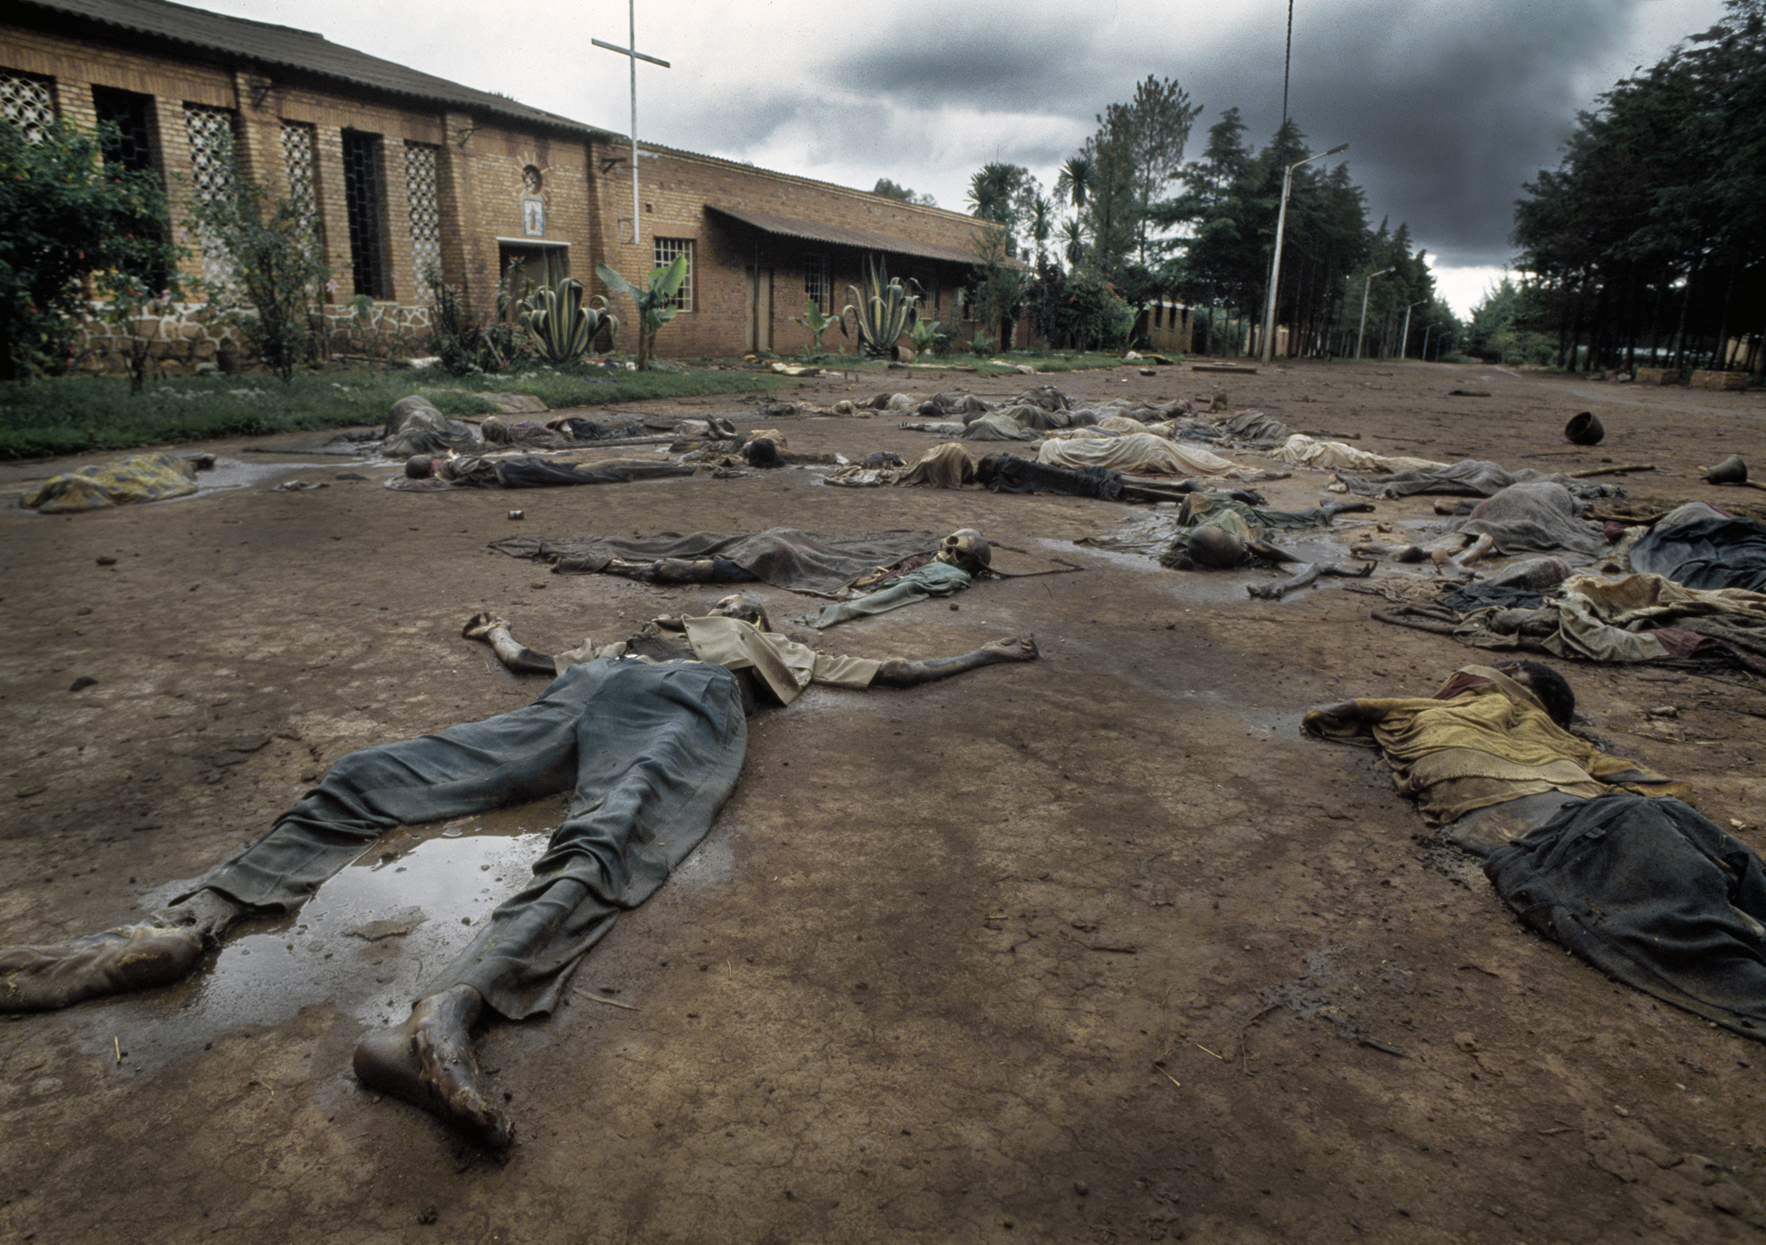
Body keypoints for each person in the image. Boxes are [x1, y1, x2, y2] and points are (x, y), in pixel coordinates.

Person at [0, 597, 1038, 1149]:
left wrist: (983, 653)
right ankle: (188, 921)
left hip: (682, 702)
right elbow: (530, 661)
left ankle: (443, 1017)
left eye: (750, 604)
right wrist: (494, 628)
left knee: (612, 831)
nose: (739, 600)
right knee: (378, 772)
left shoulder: (776, 652)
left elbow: (891, 670)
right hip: (587, 691)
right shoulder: (628, 637)